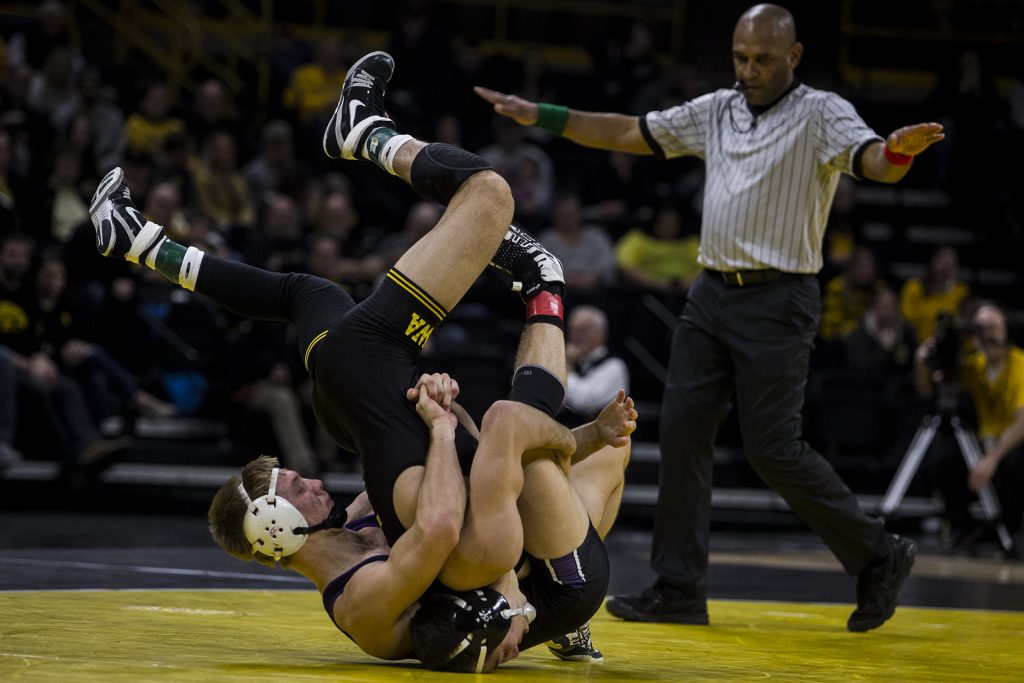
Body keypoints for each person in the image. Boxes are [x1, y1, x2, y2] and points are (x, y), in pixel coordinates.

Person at [476, 2, 945, 631]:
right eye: (740, 58)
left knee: (773, 449)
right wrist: (544, 117)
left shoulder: (821, 112)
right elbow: (627, 131)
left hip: (781, 298)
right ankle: (678, 586)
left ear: (794, 56)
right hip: (712, 291)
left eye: (763, 60)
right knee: (682, 432)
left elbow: (872, 161)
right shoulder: (718, 108)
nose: (749, 70)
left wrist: (898, 152)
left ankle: (880, 554)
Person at [915, 301, 1024, 546]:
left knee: (1015, 466)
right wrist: (922, 362)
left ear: (1007, 330)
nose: (987, 335)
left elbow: (1023, 420)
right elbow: (928, 388)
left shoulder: (1020, 364)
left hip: (1011, 445)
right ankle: (963, 526)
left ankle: (1011, 531)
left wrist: (991, 458)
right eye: (981, 328)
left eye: (993, 327)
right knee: (942, 461)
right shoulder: (974, 366)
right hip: (984, 443)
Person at [563, 305, 630, 424]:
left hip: (602, 440)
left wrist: (567, 366)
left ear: (601, 333)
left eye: (583, 330)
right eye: (572, 330)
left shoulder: (615, 366)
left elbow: (582, 401)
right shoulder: (576, 363)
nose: (576, 336)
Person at [899, 246, 969, 343]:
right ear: (932, 262)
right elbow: (907, 322)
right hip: (917, 345)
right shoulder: (914, 288)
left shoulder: (961, 292)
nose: (946, 268)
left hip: (948, 347)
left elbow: (964, 323)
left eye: (951, 264)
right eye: (943, 262)